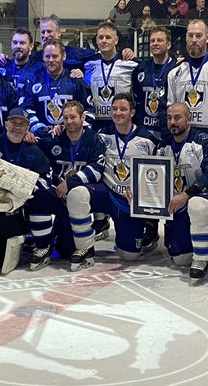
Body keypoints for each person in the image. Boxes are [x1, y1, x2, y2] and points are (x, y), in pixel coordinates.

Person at [66, 94, 158, 268]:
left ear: (132, 112)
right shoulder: (101, 135)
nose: (117, 112)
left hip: (131, 201)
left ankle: (141, 232)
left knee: (129, 256)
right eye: (114, 109)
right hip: (107, 193)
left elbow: (157, 175)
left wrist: (140, 191)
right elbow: (74, 131)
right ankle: (84, 248)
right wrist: (57, 129)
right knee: (78, 194)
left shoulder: (148, 139)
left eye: (123, 109)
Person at [0, 107, 52, 272]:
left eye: (21, 124)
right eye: (13, 123)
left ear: (27, 127)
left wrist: (20, 191)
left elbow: (46, 180)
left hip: (19, 206)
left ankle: (41, 243)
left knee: (43, 198)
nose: (17, 127)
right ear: (6, 124)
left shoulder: (35, 152)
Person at [30, 100, 105, 270]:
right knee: (38, 195)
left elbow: (97, 169)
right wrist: (28, 136)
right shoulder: (55, 138)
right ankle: (43, 246)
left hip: (82, 196)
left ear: (83, 117)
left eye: (73, 117)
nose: (69, 122)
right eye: (65, 118)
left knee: (67, 249)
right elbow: (36, 144)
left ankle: (85, 248)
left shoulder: (94, 139)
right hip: (58, 195)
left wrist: (70, 183)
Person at [158, 102, 208, 279]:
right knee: (181, 259)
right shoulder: (163, 147)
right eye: (169, 118)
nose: (173, 122)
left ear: (189, 118)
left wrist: (188, 194)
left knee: (197, 205)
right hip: (180, 200)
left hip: (207, 195)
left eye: (177, 117)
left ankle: (202, 259)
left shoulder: (204, 142)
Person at [22, 40, 94, 136]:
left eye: (55, 56)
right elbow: (26, 110)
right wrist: (39, 129)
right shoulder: (33, 82)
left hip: (71, 140)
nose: (51, 60)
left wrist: (71, 127)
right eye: (47, 56)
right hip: (42, 139)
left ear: (63, 56)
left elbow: (89, 111)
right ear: (43, 57)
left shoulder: (76, 81)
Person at [83, 23, 138, 132]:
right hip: (96, 123)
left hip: (122, 123)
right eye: (101, 37)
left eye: (108, 37)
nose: (104, 40)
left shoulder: (130, 64)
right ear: (97, 41)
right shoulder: (89, 65)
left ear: (116, 40)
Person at [132, 26, 177, 138]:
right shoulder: (141, 68)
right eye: (152, 41)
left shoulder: (177, 69)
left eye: (160, 40)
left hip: (168, 131)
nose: (155, 43)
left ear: (168, 45)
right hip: (143, 131)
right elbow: (136, 98)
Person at [2, 28, 41, 96]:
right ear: (11, 45)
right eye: (15, 42)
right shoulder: (4, 66)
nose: (18, 46)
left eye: (22, 43)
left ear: (31, 46)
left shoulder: (39, 68)